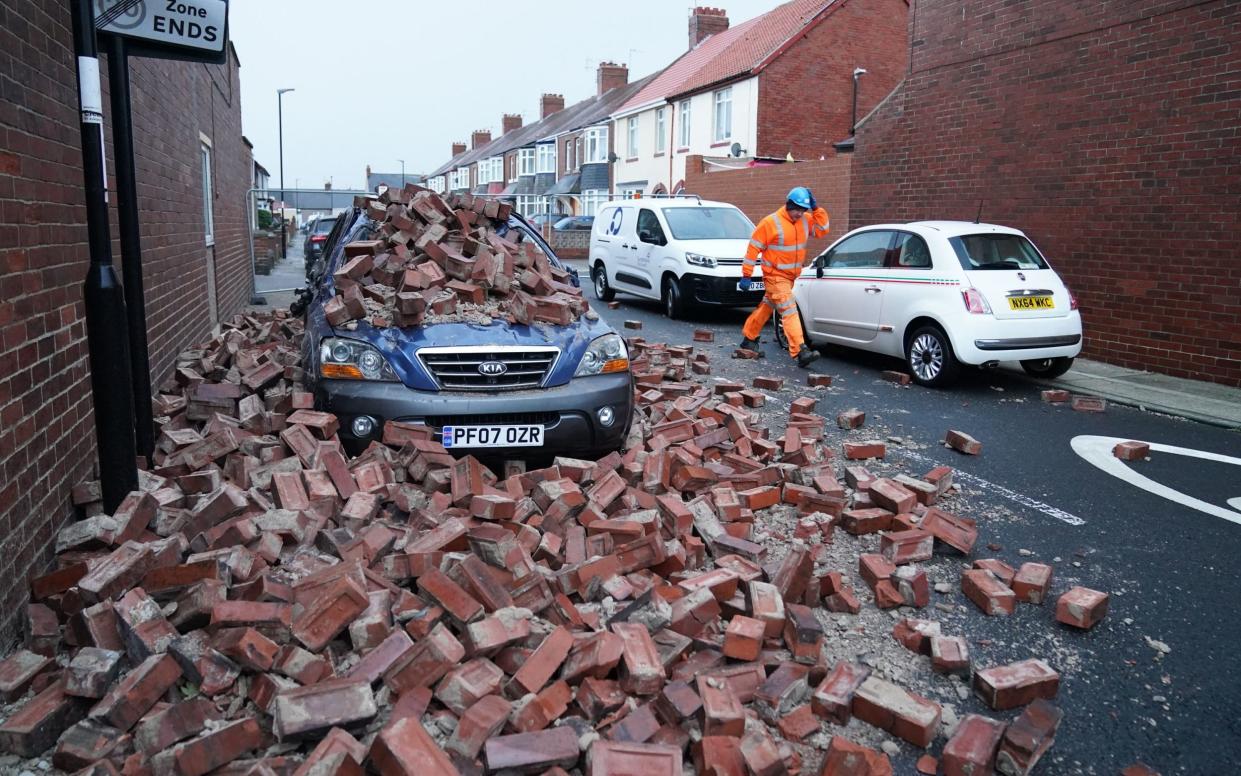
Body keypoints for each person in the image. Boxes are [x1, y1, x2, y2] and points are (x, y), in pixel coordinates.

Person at [738, 186, 829, 367]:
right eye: (797, 209)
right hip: (774, 276)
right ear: (788, 205)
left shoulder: (805, 220)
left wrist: (817, 209)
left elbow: (822, 230)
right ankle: (800, 351)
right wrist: (746, 275)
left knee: (766, 307)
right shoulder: (771, 222)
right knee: (789, 310)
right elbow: (753, 248)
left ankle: (749, 338)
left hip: (790, 277)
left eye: (803, 210)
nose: (799, 214)